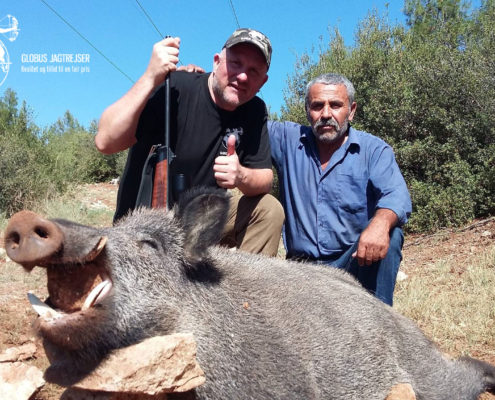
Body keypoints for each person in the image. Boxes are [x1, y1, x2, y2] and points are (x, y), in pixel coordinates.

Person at [95, 28, 284, 257]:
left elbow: (264, 178)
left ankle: (247, 292)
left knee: (268, 210)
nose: (243, 76)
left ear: (263, 82)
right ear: (217, 62)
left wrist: (240, 175)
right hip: (143, 224)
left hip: (204, 220)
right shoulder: (175, 87)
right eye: (236, 63)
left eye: (253, 71)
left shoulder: (254, 110)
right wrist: (150, 77)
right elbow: (106, 141)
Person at [269, 73, 412, 305]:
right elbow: (243, 115)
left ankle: (378, 325)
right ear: (307, 110)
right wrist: (195, 83)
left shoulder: (373, 150)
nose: (326, 114)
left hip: (352, 262)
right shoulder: (287, 139)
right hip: (300, 270)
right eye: (317, 106)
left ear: (351, 110)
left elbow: (397, 196)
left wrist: (380, 224)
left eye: (335, 105)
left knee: (392, 234)